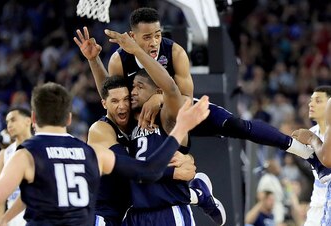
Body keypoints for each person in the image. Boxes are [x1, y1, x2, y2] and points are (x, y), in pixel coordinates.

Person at [74, 8, 313, 161]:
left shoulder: (175, 51)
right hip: (142, 119)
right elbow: (113, 97)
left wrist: (161, 98)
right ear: (133, 36)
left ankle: (295, 147)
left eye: (157, 34)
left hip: (178, 111)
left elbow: (185, 99)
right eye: (147, 37)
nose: (155, 41)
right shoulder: (119, 59)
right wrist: (94, 59)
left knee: (237, 126)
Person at [0, 82, 210, 226]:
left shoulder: (26, 155)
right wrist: (181, 127)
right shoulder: (93, 153)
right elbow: (148, 170)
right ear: (68, 118)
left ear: (34, 119)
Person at [104, 28, 226, 225]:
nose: (132, 91)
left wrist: (137, 52)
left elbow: (170, 89)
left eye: (139, 87)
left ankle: (197, 194)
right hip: (137, 213)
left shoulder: (166, 115)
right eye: (132, 87)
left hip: (168, 209)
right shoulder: (126, 120)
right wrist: (94, 61)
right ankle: (197, 194)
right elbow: (109, 94)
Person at [91, 75, 196, 226]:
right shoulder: (101, 129)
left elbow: (179, 99)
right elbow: (135, 170)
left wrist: (187, 158)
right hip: (102, 214)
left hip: (127, 215)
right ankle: (197, 195)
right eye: (114, 101)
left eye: (125, 99)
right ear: (104, 104)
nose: (121, 106)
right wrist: (173, 172)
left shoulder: (135, 125)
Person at [296, 86, 331, 226]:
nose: (311, 104)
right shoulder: (311, 131)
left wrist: (311, 139)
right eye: (311, 100)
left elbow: (326, 160)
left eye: (318, 101)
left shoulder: (310, 136)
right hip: (317, 201)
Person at [0, 107, 32, 226]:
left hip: (36, 212)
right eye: (7, 122)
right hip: (12, 216)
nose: (9, 125)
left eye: (13, 120)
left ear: (28, 121)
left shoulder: (41, 148)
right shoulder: (4, 154)